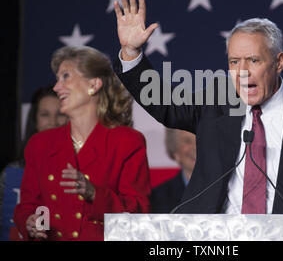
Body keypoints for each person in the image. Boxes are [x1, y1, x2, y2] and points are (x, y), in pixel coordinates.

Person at [112, 0, 283, 240]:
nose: (242, 72)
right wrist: (132, 53)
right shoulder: (218, 101)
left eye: (253, 60)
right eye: (234, 62)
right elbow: (164, 103)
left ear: (279, 62)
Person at [14, 46, 151, 241]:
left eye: (65, 77)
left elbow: (138, 213)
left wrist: (95, 194)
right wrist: (30, 221)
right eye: (57, 78)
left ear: (93, 85)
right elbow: (28, 206)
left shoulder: (127, 142)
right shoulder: (40, 144)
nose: (56, 87)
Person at [0, 86, 67, 240]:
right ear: (35, 121)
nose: (53, 122)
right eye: (45, 114)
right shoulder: (11, 173)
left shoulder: (79, 172)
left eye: (60, 114)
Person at [151, 128, 196, 213]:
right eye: (187, 141)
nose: (195, 146)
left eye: (200, 139)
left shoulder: (225, 192)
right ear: (175, 152)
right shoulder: (157, 198)